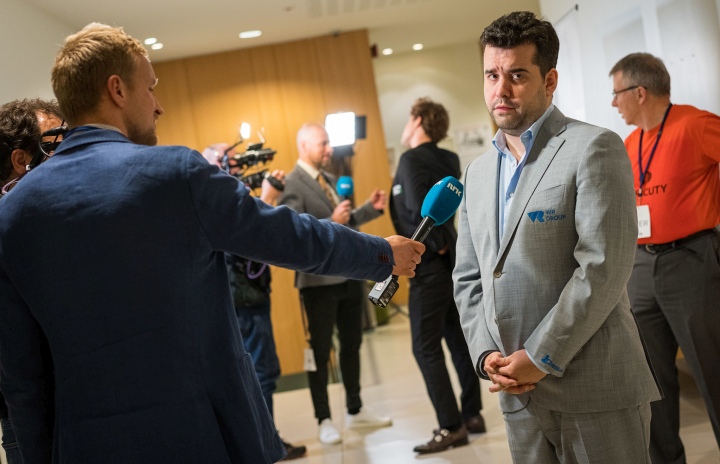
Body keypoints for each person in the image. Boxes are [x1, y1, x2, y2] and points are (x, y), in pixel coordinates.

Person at [0, 23, 425, 464]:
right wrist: (380, 254)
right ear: (117, 90)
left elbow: (21, 376)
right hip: (202, 434)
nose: (159, 105)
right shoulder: (175, 173)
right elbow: (288, 236)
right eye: (151, 88)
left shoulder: (12, 214)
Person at [453, 11, 661, 464]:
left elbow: (602, 269)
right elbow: (469, 276)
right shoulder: (477, 172)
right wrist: (486, 352)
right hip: (516, 395)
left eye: (517, 75)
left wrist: (540, 355)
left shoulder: (593, 148)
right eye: (492, 75)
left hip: (594, 387)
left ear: (550, 80)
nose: (500, 90)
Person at [609, 52, 720, 464]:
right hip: (641, 266)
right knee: (649, 379)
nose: (614, 103)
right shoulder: (630, 143)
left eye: (617, 93)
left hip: (690, 261)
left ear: (640, 92)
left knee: (712, 371)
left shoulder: (695, 124)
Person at [278, 123, 393, 445]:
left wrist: (370, 208)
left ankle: (355, 409)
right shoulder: (292, 183)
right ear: (303, 145)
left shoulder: (329, 180)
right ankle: (324, 418)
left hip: (348, 275)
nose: (329, 149)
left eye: (329, 143)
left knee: (353, 345)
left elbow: (345, 224)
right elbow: (294, 235)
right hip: (317, 283)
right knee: (321, 351)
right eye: (323, 143)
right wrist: (333, 222)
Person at [389, 97, 484, 454]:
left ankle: (450, 425)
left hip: (427, 266)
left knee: (424, 346)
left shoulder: (411, 159)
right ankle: (472, 414)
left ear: (417, 121)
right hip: (450, 262)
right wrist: (445, 243)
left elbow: (418, 212)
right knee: (457, 339)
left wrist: (432, 246)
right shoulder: (449, 158)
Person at [204, 142, 307, 460]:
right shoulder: (212, 198)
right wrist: (268, 199)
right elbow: (247, 240)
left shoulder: (227, 194)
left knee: (264, 372)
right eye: (228, 164)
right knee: (260, 373)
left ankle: (266, 440)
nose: (234, 170)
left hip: (252, 297)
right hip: (243, 301)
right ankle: (263, 444)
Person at [0, 98, 64, 464]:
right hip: (31, 421)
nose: (67, 153)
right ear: (22, 161)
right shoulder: (13, 233)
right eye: (53, 145)